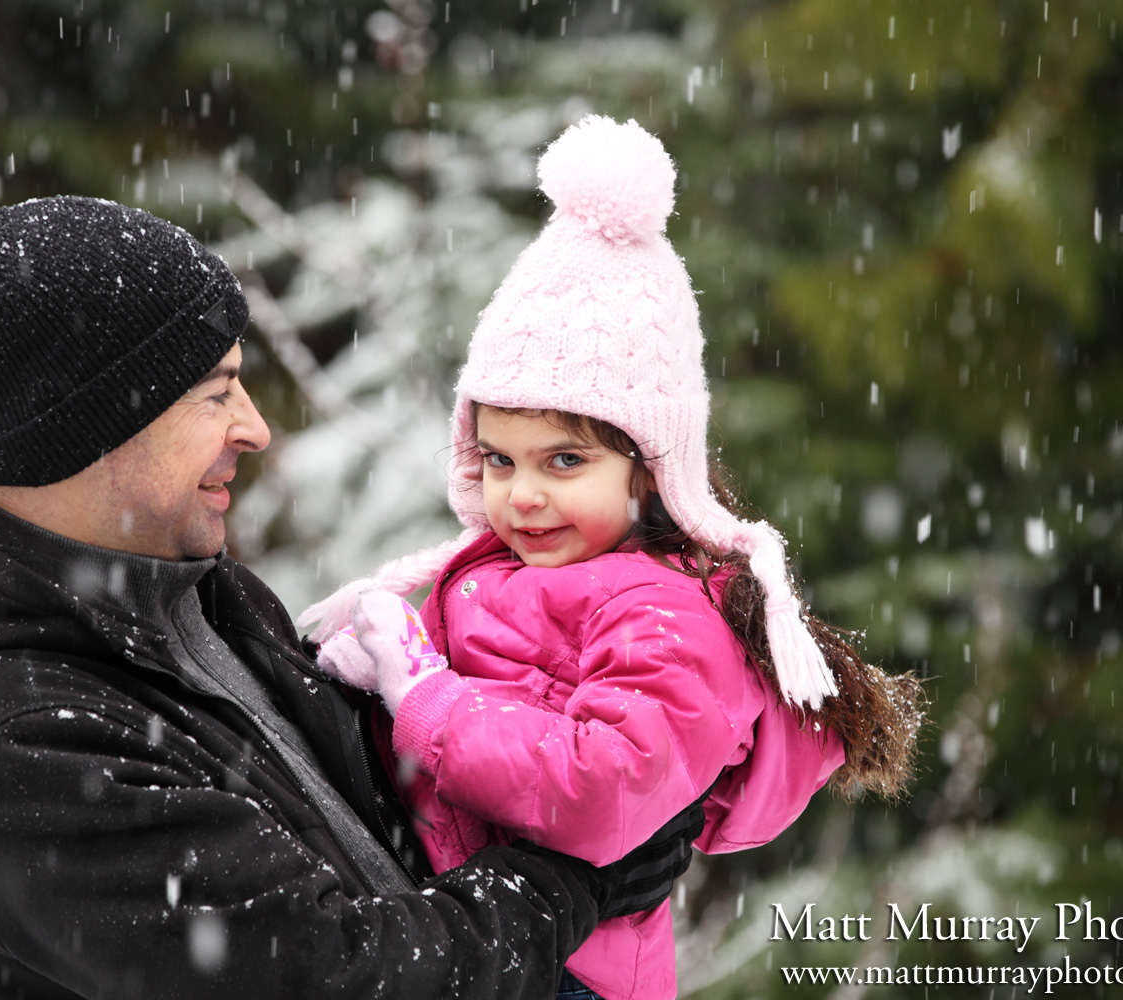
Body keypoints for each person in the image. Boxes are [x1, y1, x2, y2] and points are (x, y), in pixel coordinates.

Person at [0, 194, 701, 1000]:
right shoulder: (14, 741)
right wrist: (567, 881)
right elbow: (334, 977)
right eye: (217, 391)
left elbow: (375, 816)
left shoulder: (183, 595)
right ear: (94, 424)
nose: (255, 427)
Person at [298, 116, 927, 1000]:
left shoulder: (667, 612)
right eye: (499, 459)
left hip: (572, 972)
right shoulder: (495, 574)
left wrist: (425, 696)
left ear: (650, 465)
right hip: (479, 937)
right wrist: (377, 687)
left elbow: (601, 793)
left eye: (565, 461)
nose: (523, 495)